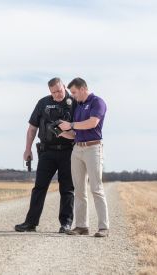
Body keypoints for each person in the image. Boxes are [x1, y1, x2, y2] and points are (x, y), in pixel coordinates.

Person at [15, 77, 76, 233]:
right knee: (39, 188)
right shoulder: (43, 103)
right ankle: (31, 223)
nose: (57, 94)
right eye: (54, 92)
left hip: (68, 151)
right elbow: (32, 129)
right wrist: (27, 149)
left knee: (67, 189)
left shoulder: (75, 103)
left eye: (59, 90)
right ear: (50, 91)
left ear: (64, 86)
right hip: (47, 151)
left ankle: (66, 224)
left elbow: (80, 129)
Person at [58, 77, 109, 237]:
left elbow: (92, 123)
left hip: (93, 148)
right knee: (79, 190)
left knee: (96, 188)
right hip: (77, 149)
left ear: (82, 89)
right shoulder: (78, 106)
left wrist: (71, 125)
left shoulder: (97, 102)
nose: (72, 96)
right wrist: (61, 132)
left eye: (73, 92)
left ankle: (103, 227)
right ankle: (81, 226)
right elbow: (75, 133)